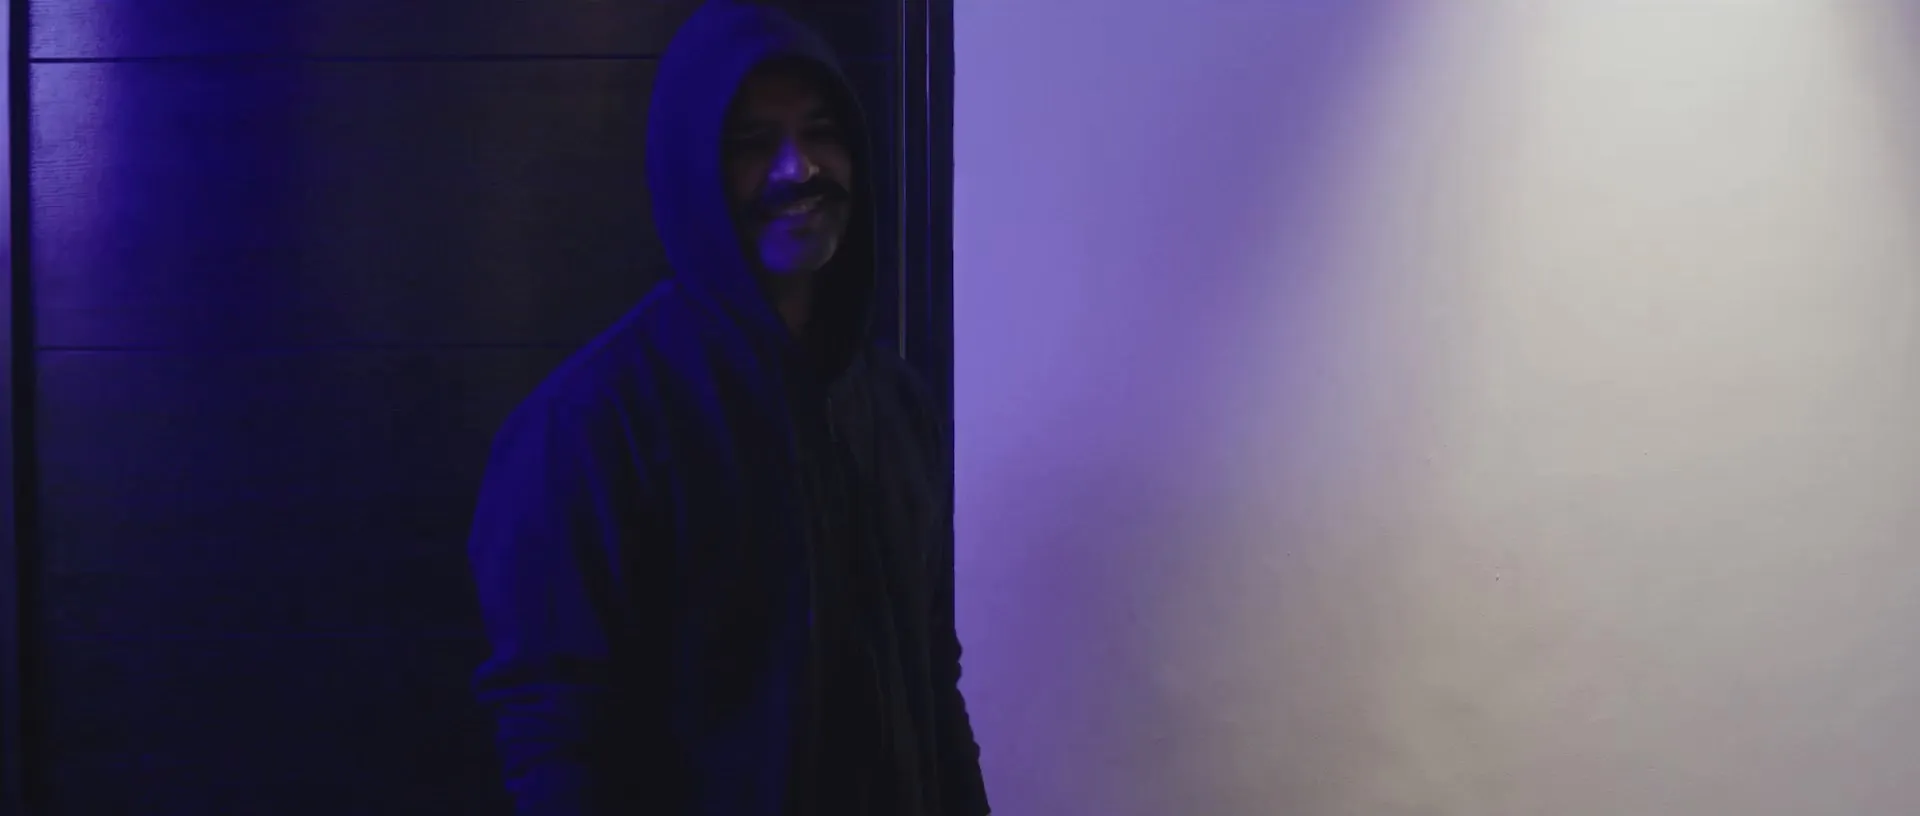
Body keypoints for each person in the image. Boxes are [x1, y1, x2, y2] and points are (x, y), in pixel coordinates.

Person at [465, 2, 990, 815]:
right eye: (753, 143)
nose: (798, 168)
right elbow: (559, 743)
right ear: (694, 172)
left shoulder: (895, 406)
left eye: (821, 133)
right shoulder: (589, 429)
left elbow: (931, 678)